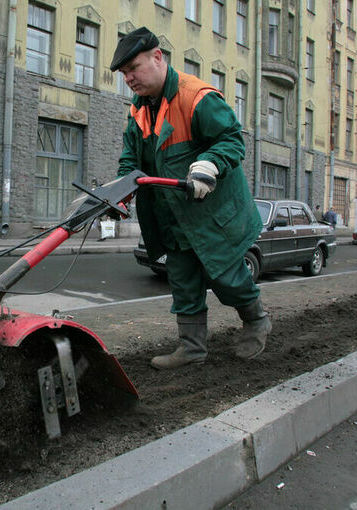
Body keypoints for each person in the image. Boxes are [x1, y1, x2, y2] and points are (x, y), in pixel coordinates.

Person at [111, 27, 270, 369]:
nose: (129, 78)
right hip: (173, 218)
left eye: (133, 68)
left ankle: (256, 320)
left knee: (227, 279)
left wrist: (208, 164)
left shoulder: (196, 96)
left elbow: (232, 140)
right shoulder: (137, 111)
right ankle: (192, 348)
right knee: (182, 283)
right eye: (124, 73)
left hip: (210, 214)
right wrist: (120, 191)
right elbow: (131, 161)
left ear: (158, 58)